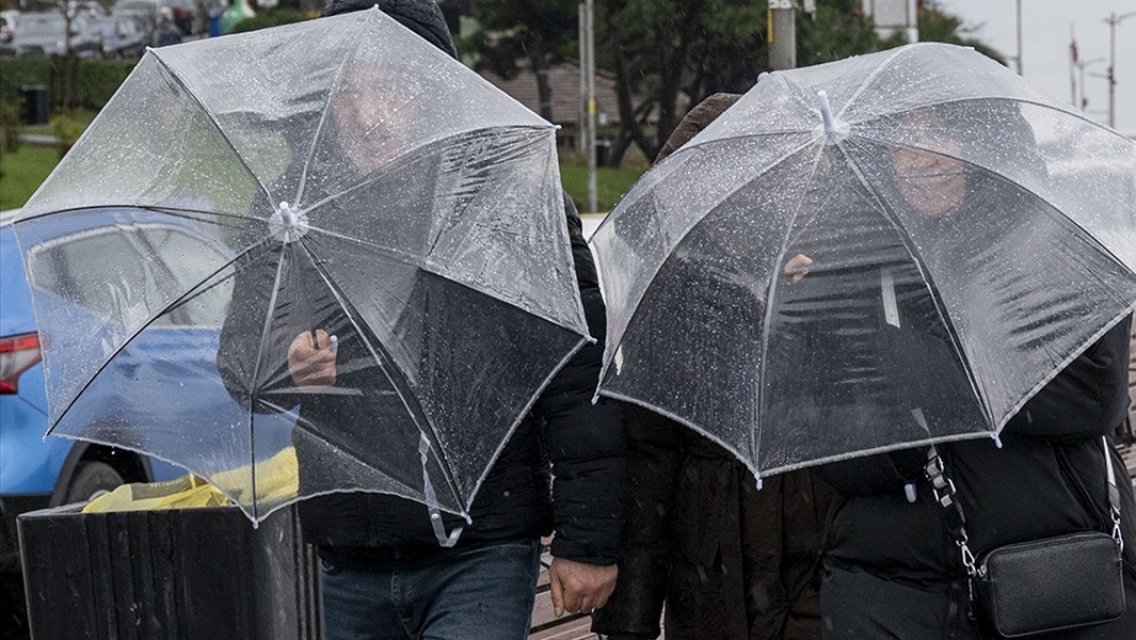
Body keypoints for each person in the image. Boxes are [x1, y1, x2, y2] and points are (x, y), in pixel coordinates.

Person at [216, 1, 626, 638]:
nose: (368, 114)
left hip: (481, 547)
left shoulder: (507, 195)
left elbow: (577, 382)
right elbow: (240, 363)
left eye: (393, 87)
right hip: (349, 554)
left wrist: (589, 540)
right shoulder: (289, 210)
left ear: (439, 89)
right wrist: (282, 366)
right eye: (349, 90)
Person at [810, 106, 1136, 638]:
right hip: (895, 589)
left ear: (989, 143)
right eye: (900, 139)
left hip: (1055, 572)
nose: (919, 156)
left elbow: (1093, 397)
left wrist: (941, 371)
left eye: (941, 132)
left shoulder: (1059, 246)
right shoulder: (844, 265)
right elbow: (833, 449)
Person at [592, 94, 834, 640]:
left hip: (818, 564)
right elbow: (652, 463)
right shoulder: (668, 298)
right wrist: (628, 621)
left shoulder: (836, 272)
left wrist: (815, 302)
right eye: (704, 184)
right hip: (711, 579)